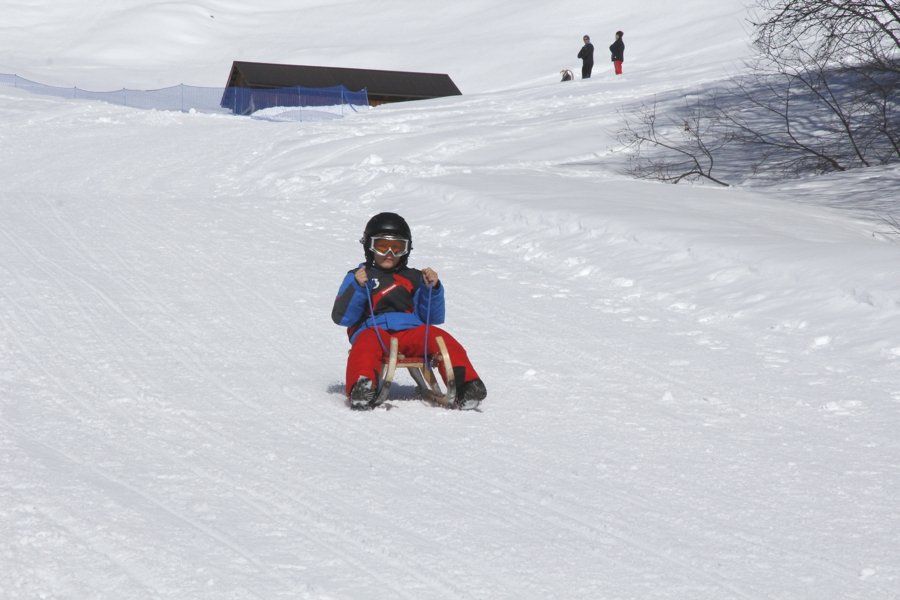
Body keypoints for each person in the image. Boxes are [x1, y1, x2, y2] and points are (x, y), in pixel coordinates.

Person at [332, 212, 486, 411]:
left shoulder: (414, 277)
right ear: (369, 246)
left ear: (406, 250)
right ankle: (362, 387)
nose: (389, 253)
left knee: (439, 337)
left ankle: (467, 385)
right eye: (382, 246)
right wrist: (357, 286)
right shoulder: (360, 276)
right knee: (365, 346)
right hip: (374, 331)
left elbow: (432, 317)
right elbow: (342, 317)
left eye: (397, 247)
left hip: (410, 332)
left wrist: (432, 288)